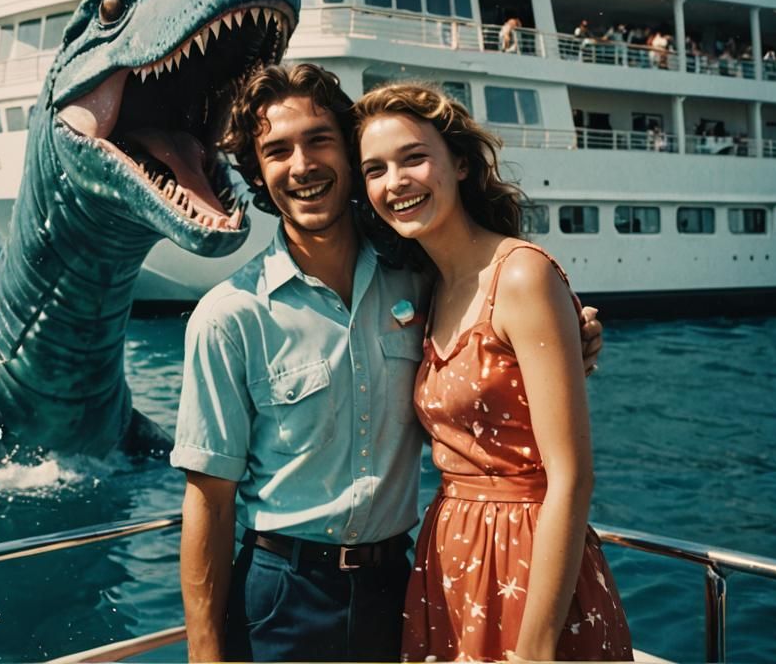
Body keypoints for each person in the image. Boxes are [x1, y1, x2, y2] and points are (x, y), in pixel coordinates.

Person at [172, 64, 604, 664]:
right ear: (257, 173)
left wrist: (572, 334)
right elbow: (209, 501)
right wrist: (204, 652)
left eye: (320, 140)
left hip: (398, 586)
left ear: (348, 158)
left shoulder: (421, 278)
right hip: (283, 594)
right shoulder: (228, 316)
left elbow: (492, 341)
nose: (301, 166)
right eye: (276, 151)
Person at [354, 83, 632, 663]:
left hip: (531, 565)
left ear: (458, 163)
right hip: (453, 560)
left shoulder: (522, 277)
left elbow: (572, 477)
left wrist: (533, 650)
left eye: (413, 157)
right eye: (375, 169)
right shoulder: (432, 288)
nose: (394, 182)